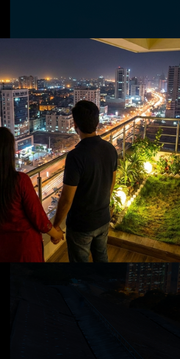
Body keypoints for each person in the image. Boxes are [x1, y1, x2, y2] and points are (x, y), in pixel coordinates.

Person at [0, 127, 63, 262]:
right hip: (24, 248)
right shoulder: (20, 180)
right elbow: (38, 218)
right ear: (8, 153)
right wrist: (56, 234)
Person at [52, 100, 118, 262]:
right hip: (102, 217)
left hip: (81, 225)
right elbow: (111, 182)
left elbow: (67, 199)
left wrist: (56, 226)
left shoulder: (76, 156)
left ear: (75, 124)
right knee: (101, 257)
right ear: (97, 122)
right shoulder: (109, 149)